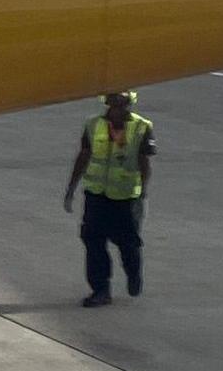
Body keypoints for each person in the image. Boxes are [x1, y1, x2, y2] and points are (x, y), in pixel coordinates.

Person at [60, 90, 155, 306]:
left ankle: (133, 273)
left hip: (125, 197)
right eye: (114, 103)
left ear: (129, 103)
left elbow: (144, 163)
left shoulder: (142, 127)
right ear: (108, 103)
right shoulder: (93, 124)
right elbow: (83, 155)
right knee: (93, 241)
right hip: (96, 194)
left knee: (128, 243)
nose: (118, 108)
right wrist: (71, 188)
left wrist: (142, 193)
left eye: (122, 103)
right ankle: (101, 290)